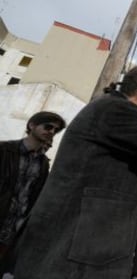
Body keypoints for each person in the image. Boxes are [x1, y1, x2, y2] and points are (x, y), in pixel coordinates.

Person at [13, 65, 137, 279]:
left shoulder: (111, 111)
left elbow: (99, 170)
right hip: (77, 255)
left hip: (83, 249)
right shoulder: (115, 110)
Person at [0, 111, 66, 276]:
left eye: (55, 130)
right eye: (48, 126)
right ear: (32, 125)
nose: (51, 132)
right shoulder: (4, 150)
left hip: (13, 231)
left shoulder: (43, 164)